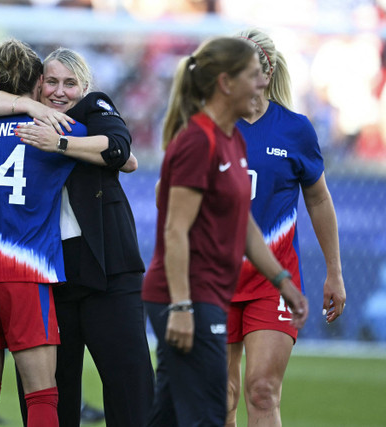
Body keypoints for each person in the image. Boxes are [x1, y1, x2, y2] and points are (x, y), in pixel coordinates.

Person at [0, 46, 153, 427]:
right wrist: (34, 111)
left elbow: (121, 150)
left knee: (129, 389)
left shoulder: (91, 111)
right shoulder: (27, 119)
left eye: (70, 84)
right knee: (50, 392)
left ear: (84, 87)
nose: (59, 91)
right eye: (50, 81)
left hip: (108, 269)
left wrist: (60, 144)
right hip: (49, 273)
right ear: (37, 86)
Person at [141, 36, 309, 426]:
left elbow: (242, 223)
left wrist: (282, 279)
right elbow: (175, 231)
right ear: (226, 83)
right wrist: (181, 307)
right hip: (186, 294)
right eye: (253, 76)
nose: (262, 84)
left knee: (170, 413)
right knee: (208, 411)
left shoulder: (230, 138)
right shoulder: (199, 141)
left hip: (203, 292)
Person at [0, 38, 86, 427]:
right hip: (24, 273)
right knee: (43, 396)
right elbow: (120, 155)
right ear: (38, 84)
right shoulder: (53, 128)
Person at [226, 28, 346, 427]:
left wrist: (334, 273)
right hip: (214, 276)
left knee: (262, 390)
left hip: (272, 280)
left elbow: (318, 199)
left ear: (266, 71)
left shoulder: (295, 129)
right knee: (218, 396)